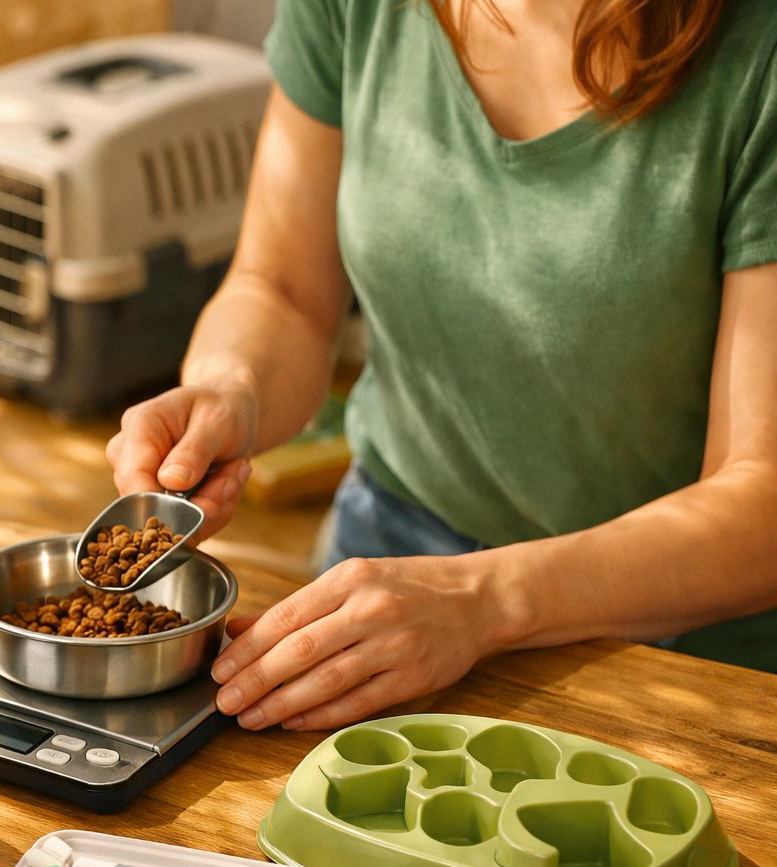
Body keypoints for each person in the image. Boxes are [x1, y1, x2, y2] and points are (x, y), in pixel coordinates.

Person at [106, 0, 777, 733]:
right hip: (382, 570)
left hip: (674, 647)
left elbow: (759, 499)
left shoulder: (758, 55)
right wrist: (230, 385)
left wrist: (481, 602)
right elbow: (283, 290)